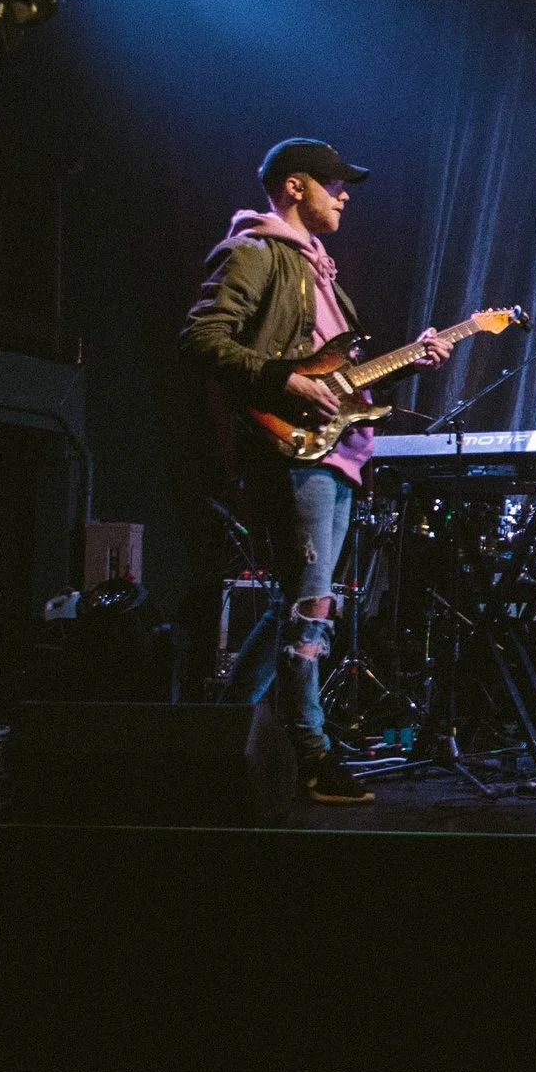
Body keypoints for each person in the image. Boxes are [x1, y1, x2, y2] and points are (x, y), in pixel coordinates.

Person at [180, 138, 447, 803]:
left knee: (297, 601)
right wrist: (286, 381)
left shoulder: (321, 272)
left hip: (337, 454)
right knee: (310, 606)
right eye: (334, 183)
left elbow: (339, 381)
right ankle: (311, 754)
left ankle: (222, 732)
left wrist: (409, 360)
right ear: (294, 186)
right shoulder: (256, 251)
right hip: (292, 450)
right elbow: (202, 338)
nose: (345, 195)